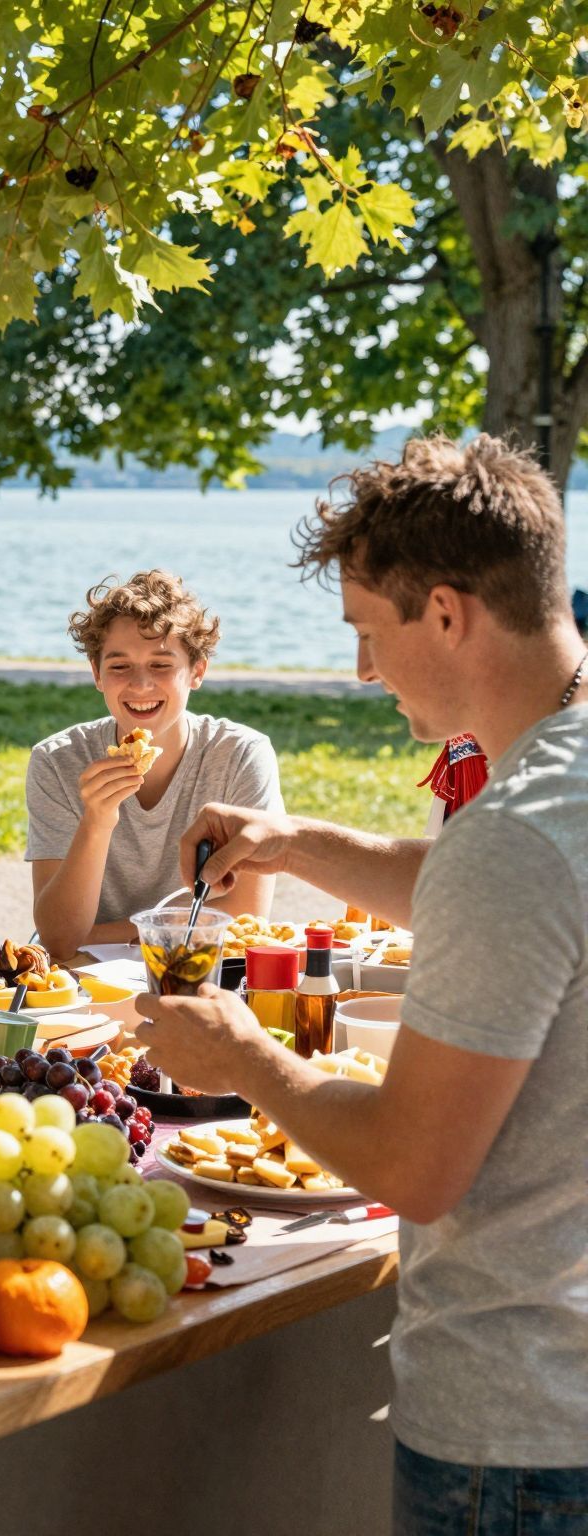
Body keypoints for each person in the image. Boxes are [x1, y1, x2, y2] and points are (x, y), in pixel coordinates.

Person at [131, 435, 588, 1531]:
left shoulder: (512, 839)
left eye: (366, 637)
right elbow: (506, 896)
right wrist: (291, 844)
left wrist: (240, 1057)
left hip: (514, 1437)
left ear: (443, 614)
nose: (360, 675)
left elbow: (409, 1165)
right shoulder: (552, 789)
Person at [26, 571, 283, 956]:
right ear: (96, 674)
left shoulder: (240, 755)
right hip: (85, 973)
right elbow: (61, 939)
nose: (140, 684)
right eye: (119, 666)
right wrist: (97, 820)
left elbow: (247, 913)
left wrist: (103, 934)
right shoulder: (58, 761)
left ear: (197, 671)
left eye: (161, 665)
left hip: (200, 966)